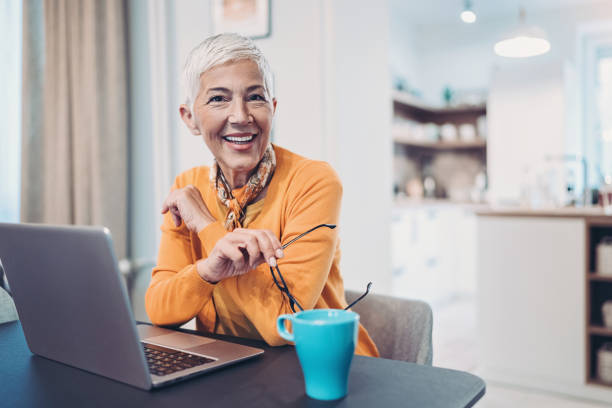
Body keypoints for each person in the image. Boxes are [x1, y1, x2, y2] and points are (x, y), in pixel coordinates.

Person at [145, 33, 379, 357]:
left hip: (323, 366)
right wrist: (208, 271)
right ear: (190, 118)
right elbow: (159, 308)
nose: (241, 116)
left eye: (255, 97)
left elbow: (284, 325)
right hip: (232, 368)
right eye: (218, 99)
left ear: (273, 108)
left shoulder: (314, 182)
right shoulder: (188, 187)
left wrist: (207, 226)